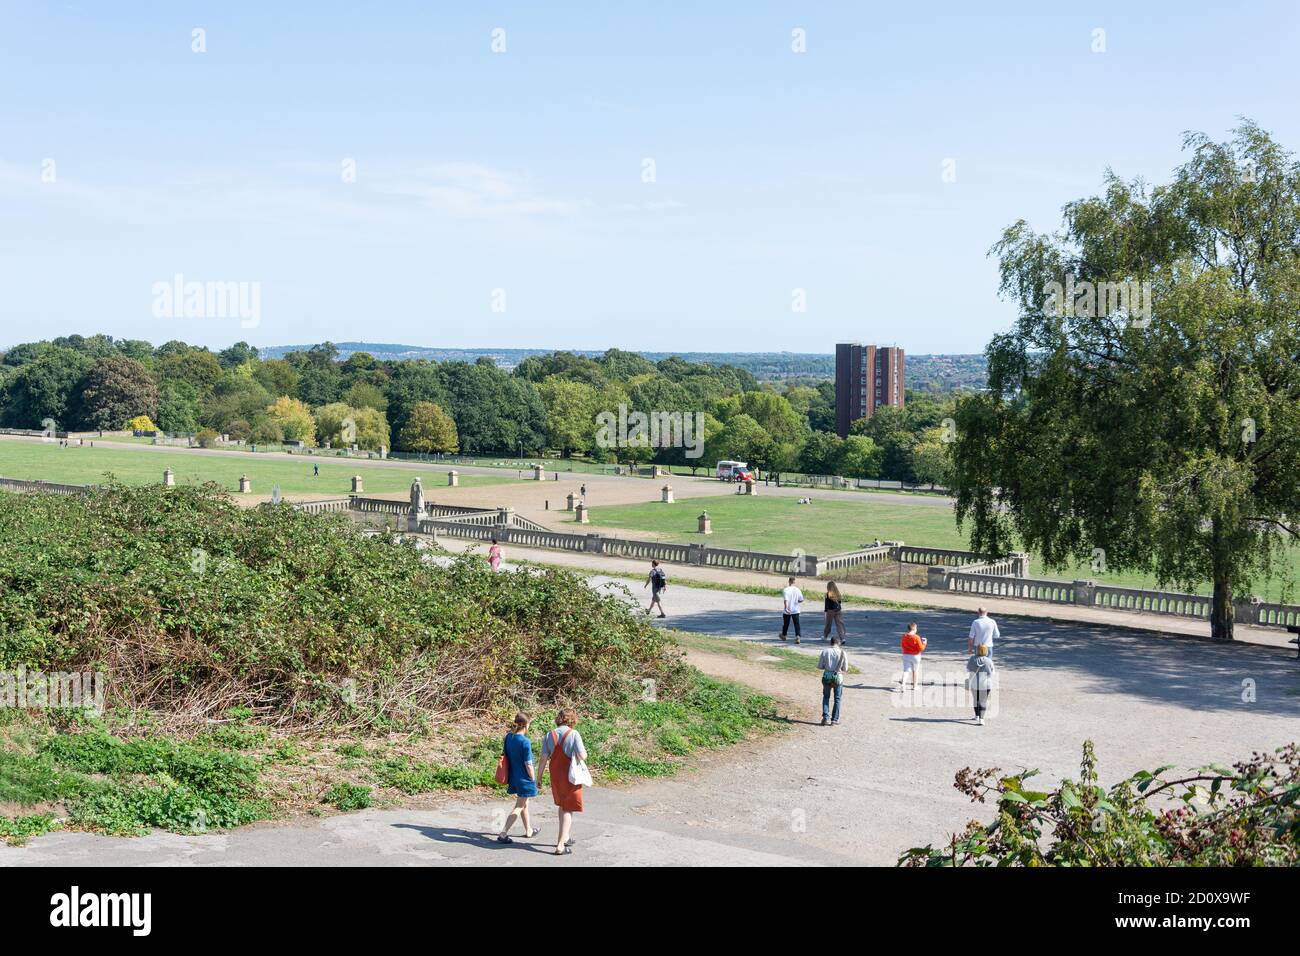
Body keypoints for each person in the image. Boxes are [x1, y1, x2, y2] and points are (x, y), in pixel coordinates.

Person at [538, 708, 588, 855]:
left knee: (562, 805)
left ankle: (565, 836)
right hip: (570, 774)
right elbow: (582, 755)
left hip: (555, 772)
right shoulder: (574, 734)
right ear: (572, 720)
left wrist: (539, 777)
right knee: (568, 808)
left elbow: (543, 758)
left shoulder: (549, 734)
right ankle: (560, 845)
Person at [496, 713, 538, 843]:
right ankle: (503, 834)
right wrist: (533, 779)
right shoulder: (525, 742)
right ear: (526, 725)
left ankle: (529, 830)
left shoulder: (508, 737)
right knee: (519, 806)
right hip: (525, 779)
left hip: (514, 776)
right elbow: (529, 764)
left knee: (524, 803)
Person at [818, 636, 848, 726]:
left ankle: (825, 717)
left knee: (826, 697)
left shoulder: (825, 651)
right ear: (839, 643)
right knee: (837, 699)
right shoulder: (843, 652)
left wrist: (827, 667)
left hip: (827, 676)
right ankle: (834, 719)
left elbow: (820, 666)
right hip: (838, 678)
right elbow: (845, 668)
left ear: (830, 642)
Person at [966, 644, 996, 725]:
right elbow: (992, 673)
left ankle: (977, 716)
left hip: (974, 683)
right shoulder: (989, 660)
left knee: (976, 700)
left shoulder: (972, 659)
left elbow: (968, 669)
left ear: (977, 650)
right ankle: (982, 719)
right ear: (986, 651)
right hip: (986, 684)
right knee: (983, 701)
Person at [899, 622, 927, 690]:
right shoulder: (916, 637)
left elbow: (902, 645)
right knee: (915, 671)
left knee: (906, 671)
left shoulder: (904, 636)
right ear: (914, 629)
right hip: (915, 656)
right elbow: (921, 648)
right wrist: (925, 643)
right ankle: (915, 686)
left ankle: (903, 684)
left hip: (906, 655)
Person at [780, 576, 804, 644]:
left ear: (789, 581)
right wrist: (796, 602)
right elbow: (801, 599)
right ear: (794, 582)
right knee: (796, 624)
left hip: (788, 609)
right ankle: (798, 636)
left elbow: (786, 600)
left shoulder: (786, 590)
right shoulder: (797, 589)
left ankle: (784, 635)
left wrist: (786, 608)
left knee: (786, 624)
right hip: (796, 610)